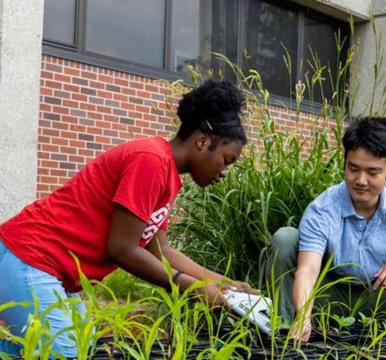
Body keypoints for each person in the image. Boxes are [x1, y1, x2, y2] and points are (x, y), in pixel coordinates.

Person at [0, 79, 255, 357]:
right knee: (64, 353)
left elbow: (160, 250)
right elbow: (122, 249)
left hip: (46, 266)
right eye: (227, 160)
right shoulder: (151, 160)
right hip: (29, 256)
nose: (224, 171)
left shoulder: (167, 175)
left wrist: (220, 283)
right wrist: (195, 289)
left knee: (78, 345)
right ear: (203, 140)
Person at [266, 117, 386, 341]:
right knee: (286, 239)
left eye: (373, 172)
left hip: (379, 295)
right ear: (345, 163)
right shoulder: (322, 208)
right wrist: (303, 316)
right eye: (353, 168)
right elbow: (308, 270)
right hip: (329, 294)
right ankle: (290, 332)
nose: (360, 180)